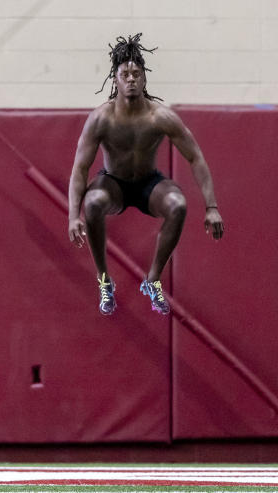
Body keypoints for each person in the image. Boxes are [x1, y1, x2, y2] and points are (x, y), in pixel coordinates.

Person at [67, 33, 224, 315]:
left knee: (178, 205)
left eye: (136, 74)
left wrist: (212, 207)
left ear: (144, 79)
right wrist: (72, 216)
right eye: (124, 74)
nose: (131, 79)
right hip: (113, 183)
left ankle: (153, 280)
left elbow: (195, 157)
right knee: (92, 204)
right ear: (114, 79)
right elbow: (80, 168)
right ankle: (104, 280)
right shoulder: (101, 119)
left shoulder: (159, 117)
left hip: (148, 184)